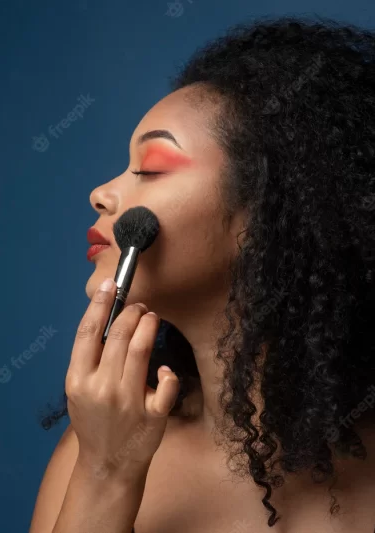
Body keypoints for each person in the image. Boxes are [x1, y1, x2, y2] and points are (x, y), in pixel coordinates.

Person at [30, 15, 375, 533]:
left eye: (150, 168)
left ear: (270, 214)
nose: (101, 193)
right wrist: (107, 473)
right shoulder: (92, 450)